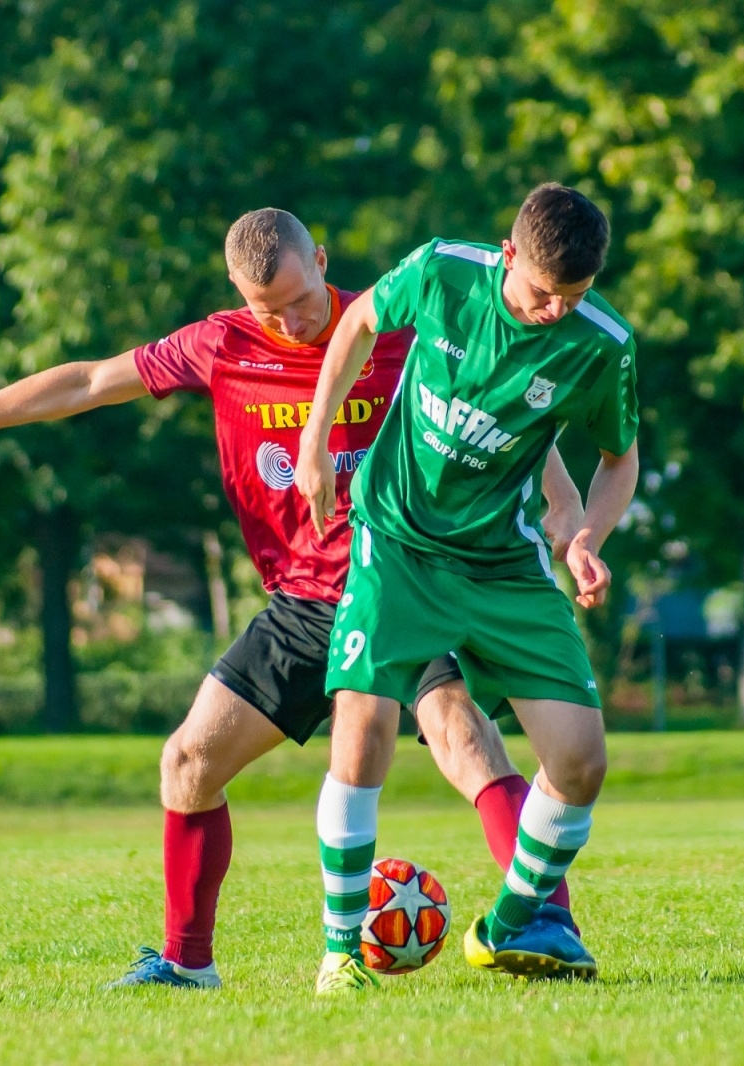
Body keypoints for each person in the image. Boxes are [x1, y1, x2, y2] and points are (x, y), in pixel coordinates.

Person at [0, 208, 585, 990]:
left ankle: (547, 925)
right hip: (301, 606)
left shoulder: (397, 322)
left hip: (399, 579)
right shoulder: (222, 344)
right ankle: (188, 963)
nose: (287, 321)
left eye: (301, 299)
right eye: (265, 308)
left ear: (321, 259)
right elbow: (88, 380)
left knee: (464, 739)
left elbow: (500, 414)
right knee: (187, 762)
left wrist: (563, 505)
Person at [295, 184, 639, 993]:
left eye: (574, 297)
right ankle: (341, 951)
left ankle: (512, 924)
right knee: (362, 732)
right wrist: (315, 441)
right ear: (509, 255)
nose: (555, 311)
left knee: (581, 760)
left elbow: (620, 458)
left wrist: (586, 533)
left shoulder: (602, 343)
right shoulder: (445, 272)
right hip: (399, 543)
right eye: (541, 293)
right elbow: (357, 324)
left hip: (505, 565)